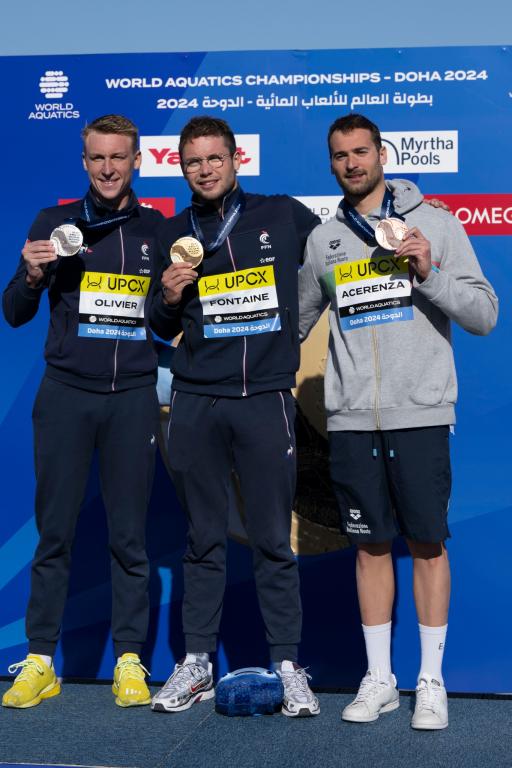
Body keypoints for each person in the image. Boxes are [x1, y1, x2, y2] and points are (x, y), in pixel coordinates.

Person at [298, 113, 498, 730]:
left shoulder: (436, 222)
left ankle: (429, 681)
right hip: (353, 419)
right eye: (340, 156)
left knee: (429, 545)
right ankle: (379, 679)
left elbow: (484, 314)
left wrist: (429, 272)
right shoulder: (324, 241)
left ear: (382, 154)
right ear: (331, 164)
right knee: (369, 547)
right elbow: (291, 328)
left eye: (361, 152)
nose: (352, 163)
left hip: (421, 413)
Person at [149, 116, 321, 717]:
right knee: (202, 541)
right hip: (196, 402)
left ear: (235, 159)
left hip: (264, 399)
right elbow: (158, 327)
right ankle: (196, 663)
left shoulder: (283, 215)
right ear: (182, 168)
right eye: (193, 162)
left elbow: (336, 254)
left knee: (274, 539)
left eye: (214, 158)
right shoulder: (172, 235)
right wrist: (168, 297)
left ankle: (288, 666)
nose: (205, 169)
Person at [2, 114, 166, 709]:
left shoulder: (157, 229)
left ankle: (129, 659)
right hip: (66, 396)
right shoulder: (53, 223)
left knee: (129, 537)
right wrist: (30, 273)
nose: (107, 168)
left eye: (118, 157)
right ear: (84, 162)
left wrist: (171, 296)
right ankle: (41, 659)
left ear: (136, 160)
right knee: (55, 535)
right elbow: (15, 311)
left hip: (131, 400)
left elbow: (169, 321)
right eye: (97, 158)